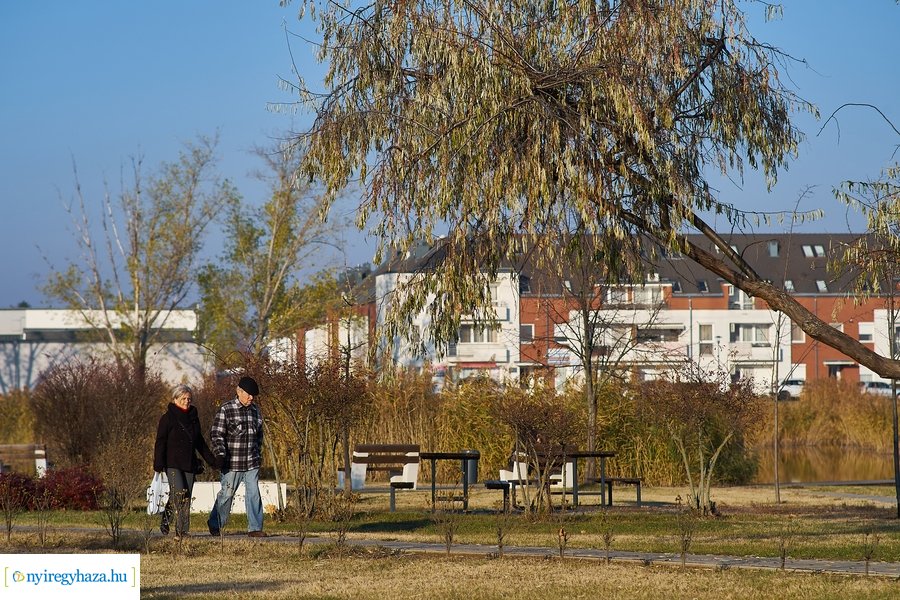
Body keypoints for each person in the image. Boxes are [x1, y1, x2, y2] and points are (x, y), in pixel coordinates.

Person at [153, 384, 216, 541]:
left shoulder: (193, 418)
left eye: (189, 399)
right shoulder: (167, 418)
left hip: (189, 463)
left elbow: (199, 442)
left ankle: (182, 531)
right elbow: (160, 442)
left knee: (186, 496)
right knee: (179, 494)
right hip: (172, 463)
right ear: (175, 399)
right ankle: (175, 526)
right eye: (183, 398)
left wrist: (212, 460)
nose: (187, 401)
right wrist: (158, 464)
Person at [207, 375, 266, 537]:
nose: (251, 398)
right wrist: (220, 454)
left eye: (253, 395)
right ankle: (215, 524)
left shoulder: (256, 412)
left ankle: (255, 528)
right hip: (231, 463)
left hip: (251, 462)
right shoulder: (226, 409)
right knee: (226, 495)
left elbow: (259, 436)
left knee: (254, 494)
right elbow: (216, 434)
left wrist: (258, 455)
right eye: (249, 394)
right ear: (239, 392)